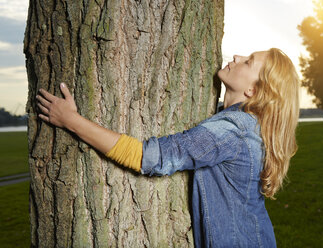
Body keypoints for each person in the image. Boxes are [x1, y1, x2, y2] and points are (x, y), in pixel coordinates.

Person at [36, 47, 299, 247]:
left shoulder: (232, 130)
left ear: (254, 90)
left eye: (248, 62)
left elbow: (148, 157)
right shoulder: (247, 126)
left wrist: (71, 121)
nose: (238, 55)